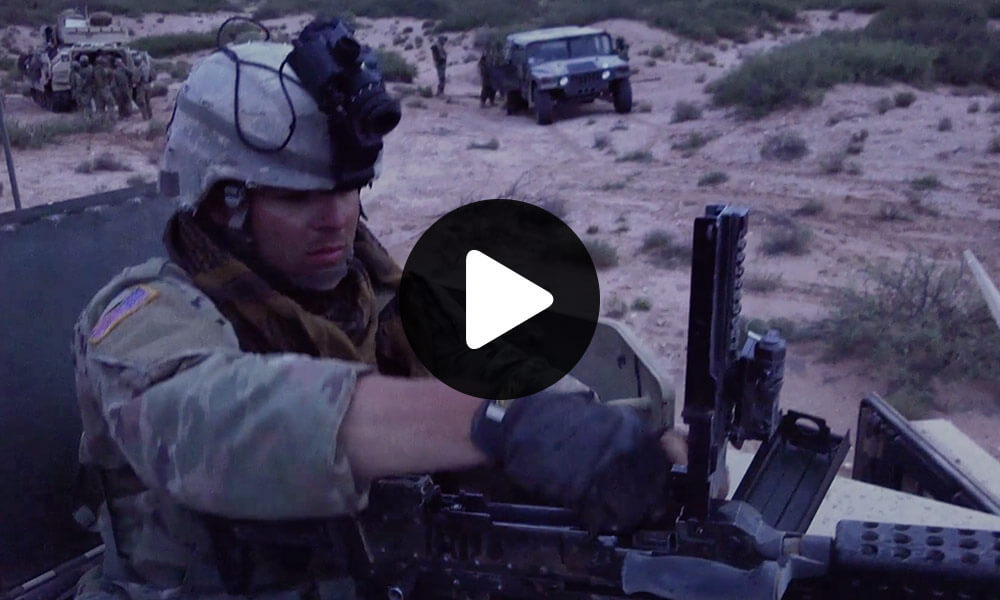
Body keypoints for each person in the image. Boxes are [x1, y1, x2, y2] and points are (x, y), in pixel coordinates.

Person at [73, 32, 680, 600]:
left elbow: (499, 370)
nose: (336, 217)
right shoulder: (145, 313)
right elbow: (209, 423)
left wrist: (638, 452)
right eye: (296, 196)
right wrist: (496, 421)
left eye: (348, 188)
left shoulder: (377, 296)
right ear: (223, 201)